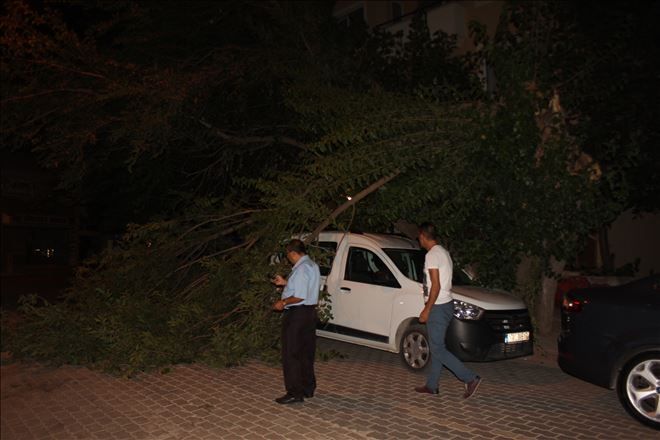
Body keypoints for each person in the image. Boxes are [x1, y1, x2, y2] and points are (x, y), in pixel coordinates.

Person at [415, 222, 482, 399]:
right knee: (438, 347)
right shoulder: (444, 252)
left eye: (418, 236)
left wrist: (427, 309)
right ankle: (432, 385)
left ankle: (470, 378)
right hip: (445, 304)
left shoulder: (432, 255)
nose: (418, 239)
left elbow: (435, 286)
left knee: (437, 349)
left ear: (422, 235)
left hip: (437, 307)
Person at [271, 239, 320, 404]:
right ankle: (307, 388)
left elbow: (299, 296)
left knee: (291, 353)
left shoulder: (301, 269)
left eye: (288, 255)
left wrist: (282, 303)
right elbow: (304, 287)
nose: (288, 259)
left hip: (297, 314)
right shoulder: (312, 265)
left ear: (293, 253)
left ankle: (294, 392)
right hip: (309, 314)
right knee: (306, 352)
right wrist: (285, 283)